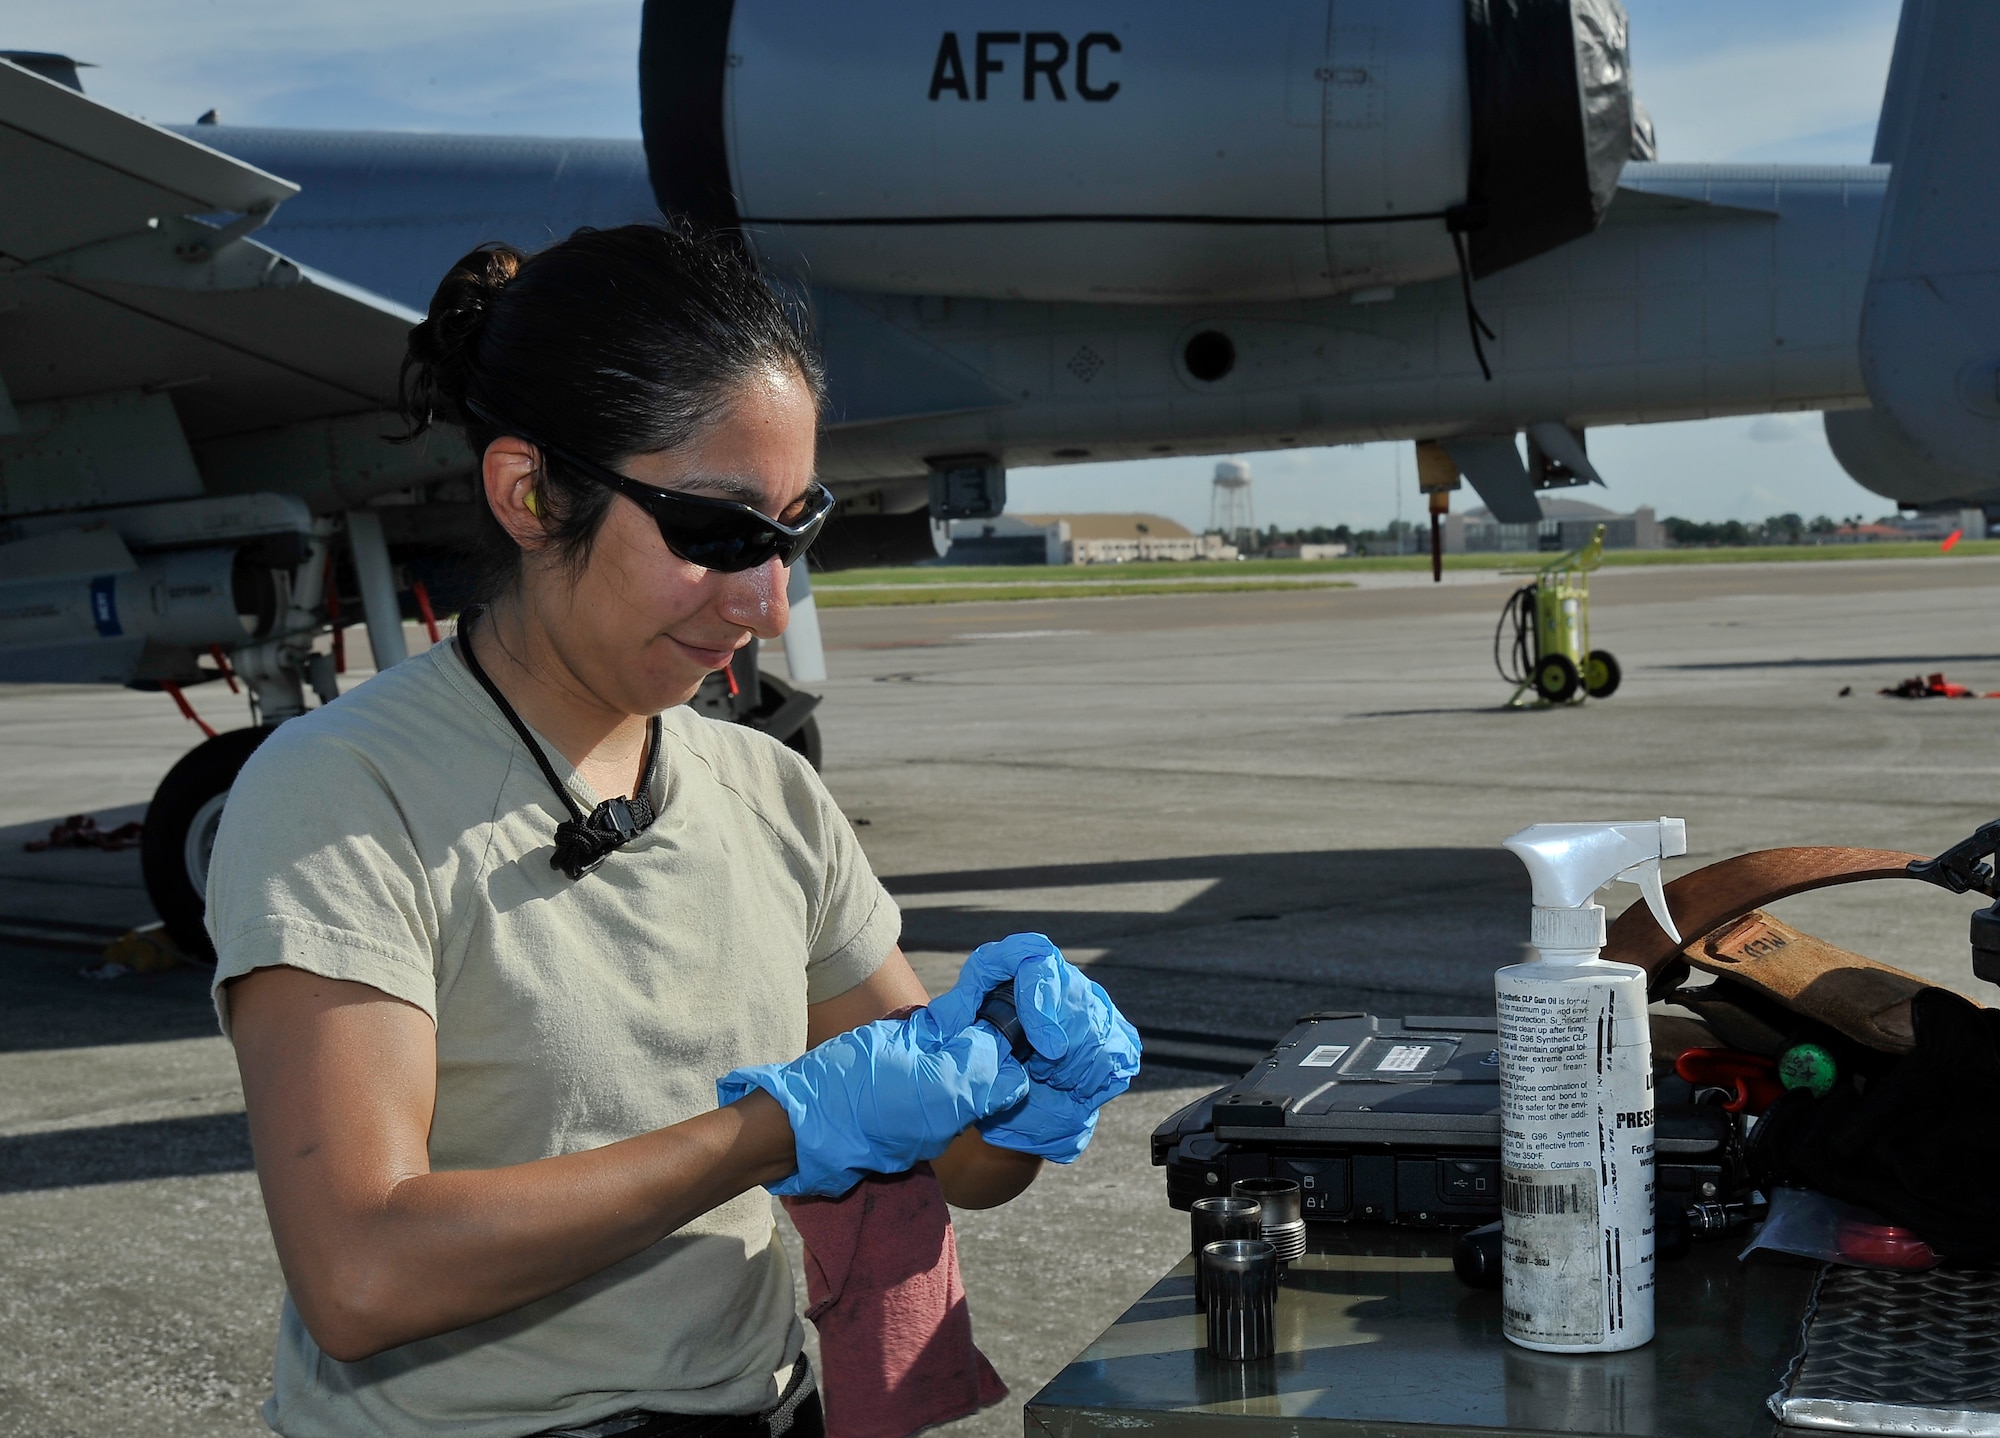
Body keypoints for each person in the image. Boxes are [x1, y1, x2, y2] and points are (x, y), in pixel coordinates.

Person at [206, 224, 1140, 1438]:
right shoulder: (342, 792)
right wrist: (773, 1128)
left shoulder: (769, 792)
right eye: (717, 531)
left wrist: (1015, 1079)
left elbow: (954, 1163)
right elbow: (363, 1271)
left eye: (795, 530)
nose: (769, 600)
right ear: (530, 494)